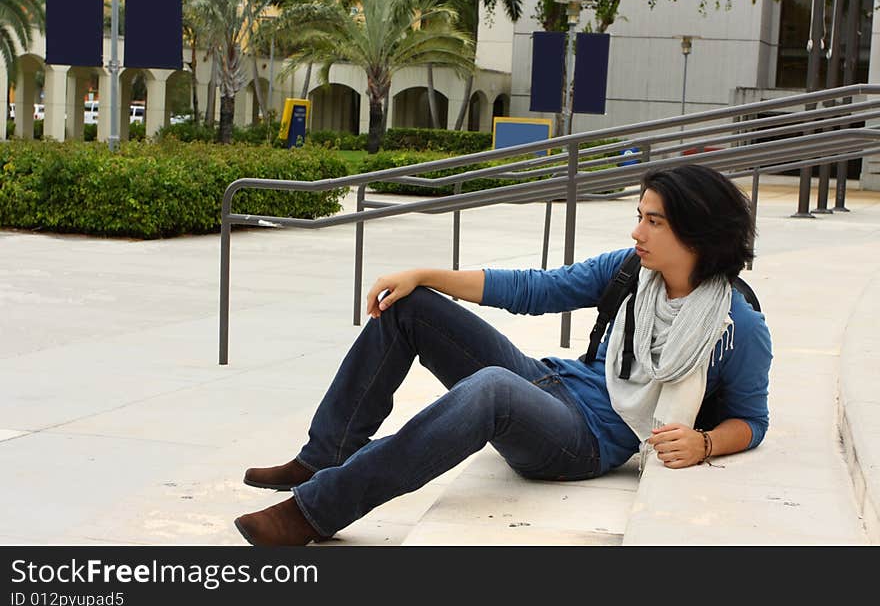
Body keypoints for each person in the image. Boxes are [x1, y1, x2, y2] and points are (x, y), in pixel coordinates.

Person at [234, 164, 772, 546]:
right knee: (410, 307)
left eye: (654, 221)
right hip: (551, 384)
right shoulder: (633, 271)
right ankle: (325, 453)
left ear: (698, 234)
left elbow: (752, 419)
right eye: (640, 216)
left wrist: (704, 442)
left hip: (583, 442)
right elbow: (534, 289)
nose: (637, 231)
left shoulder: (737, 326)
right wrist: (426, 275)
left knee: (492, 388)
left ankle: (315, 512)